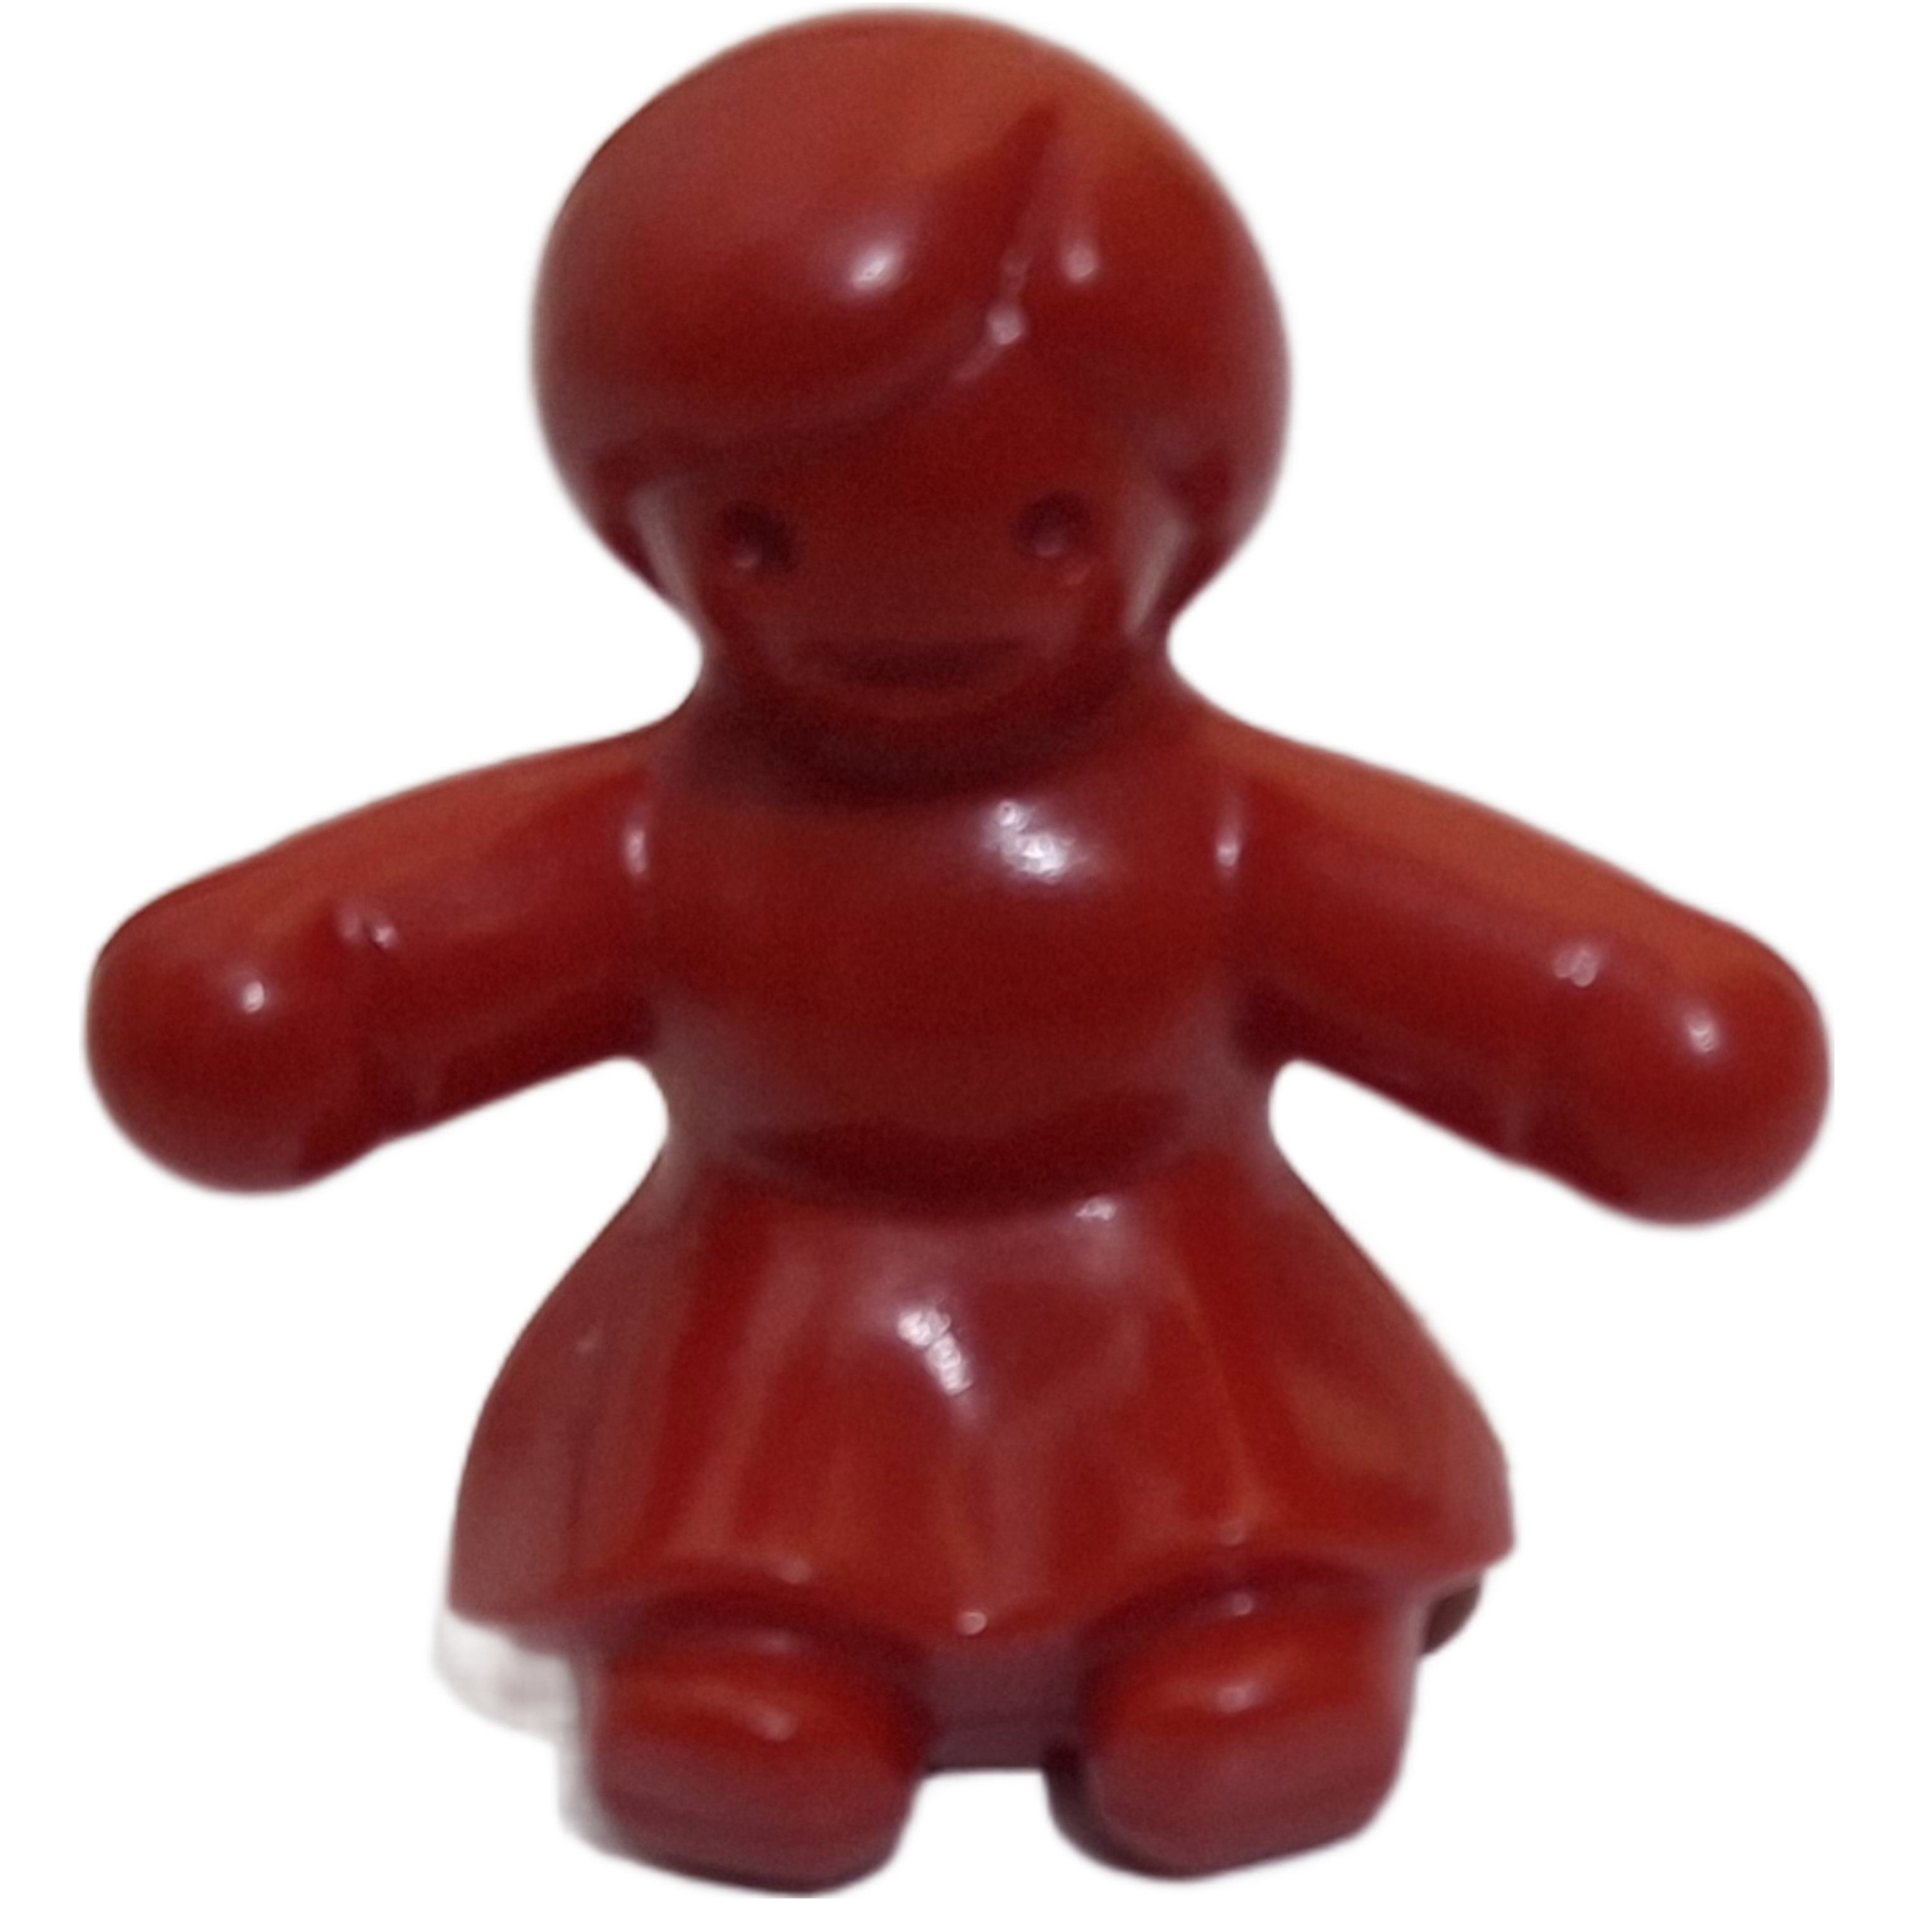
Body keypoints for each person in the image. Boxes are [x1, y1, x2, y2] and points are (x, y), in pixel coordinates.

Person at [88, 11, 1828, 1891]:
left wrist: (1602, 1024)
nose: (906, 600)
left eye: (1047, 525)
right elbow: (406, 949)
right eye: (768, 539)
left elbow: (1475, 953)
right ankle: (762, 1665)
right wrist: (314, 995)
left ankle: (1240, 1635)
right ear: (642, 523)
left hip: (1171, 1310)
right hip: (781, 1325)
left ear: (1197, 490)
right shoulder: (665, 843)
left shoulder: (1228, 834)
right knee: (745, 1591)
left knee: (1243, 1549)